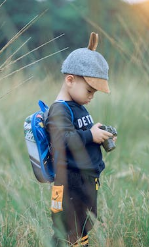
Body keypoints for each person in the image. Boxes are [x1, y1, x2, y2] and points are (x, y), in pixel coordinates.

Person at [46, 32, 116, 247]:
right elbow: (64, 139)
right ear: (70, 80)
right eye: (89, 90)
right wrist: (90, 135)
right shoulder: (59, 109)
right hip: (70, 182)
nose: (91, 96)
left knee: (82, 223)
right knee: (68, 227)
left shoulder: (77, 107)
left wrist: (96, 131)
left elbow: (79, 133)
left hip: (83, 180)